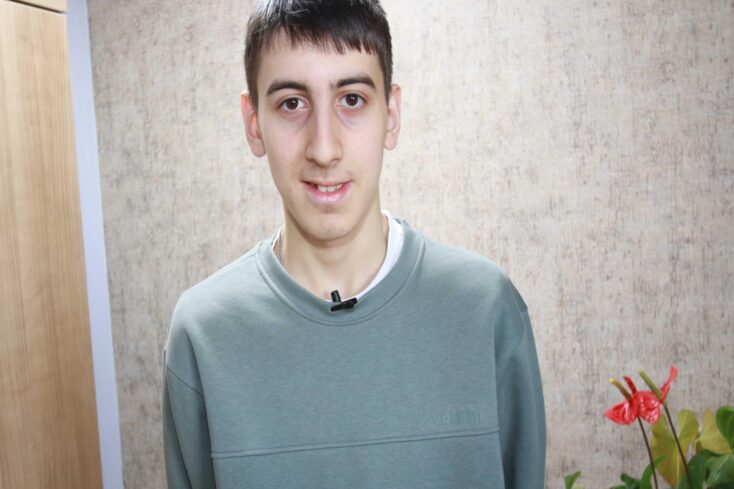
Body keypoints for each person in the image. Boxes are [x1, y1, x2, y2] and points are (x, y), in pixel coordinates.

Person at [162, 0, 546, 487]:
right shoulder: (203, 333)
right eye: (292, 103)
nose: (324, 149)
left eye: (351, 99)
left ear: (391, 114)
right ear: (253, 122)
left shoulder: (486, 309)